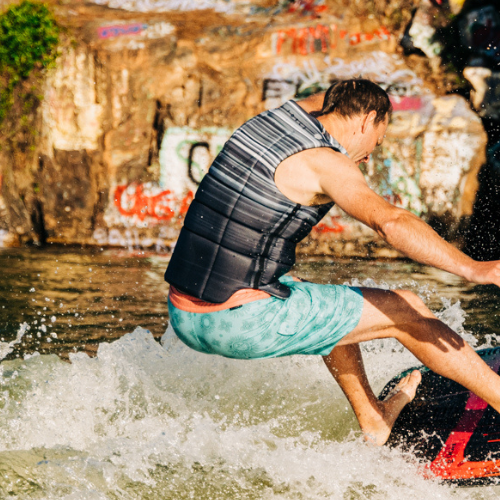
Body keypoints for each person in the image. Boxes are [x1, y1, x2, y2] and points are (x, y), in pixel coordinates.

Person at [165, 79, 500, 446]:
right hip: (239, 322)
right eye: (377, 140)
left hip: (185, 314)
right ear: (367, 119)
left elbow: (327, 96)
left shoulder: (275, 120)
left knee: (334, 302)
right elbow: (390, 222)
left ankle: (373, 421)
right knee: (408, 310)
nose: (370, 155)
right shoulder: (326, 164)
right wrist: (474, 268)